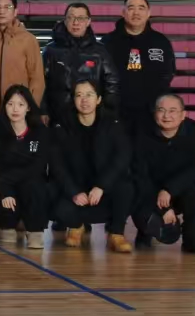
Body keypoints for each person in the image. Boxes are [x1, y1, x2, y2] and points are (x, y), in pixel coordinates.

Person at [49, 80, 133, 253]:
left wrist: (102, 186)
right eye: (79, 95)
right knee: (52, 196)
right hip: (76, 191)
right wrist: (73, 192)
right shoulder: (62, 125)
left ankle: (116, 233)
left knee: (126, 187)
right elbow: (57, 164)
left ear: (99, 99)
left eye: (89, 95)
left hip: (102, 190)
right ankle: (76, 226)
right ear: (73, 99)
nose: (84, 100)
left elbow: (122, 158)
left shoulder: (112, 123)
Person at [131, 94, 195, 255]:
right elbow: (139, 174)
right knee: (133, 192)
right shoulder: (141, 133)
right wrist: (165, 209)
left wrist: (169, 189)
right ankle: (144, 234)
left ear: (183, 115)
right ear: (155, 113)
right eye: (161, 110)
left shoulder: (193, 132)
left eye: (172, 111)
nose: (166, 116)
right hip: (149, 189)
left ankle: (192, 240)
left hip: (176, 188)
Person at [102, 0, 176, 136]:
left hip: (150, 113)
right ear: (123, 12)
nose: (136, 12)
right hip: (115, 113)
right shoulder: (108, 42)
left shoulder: (160, 42)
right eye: (131, 8)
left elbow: (168, 74)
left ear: (148, 13)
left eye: (141, 8)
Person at [0, 84, 51, 250]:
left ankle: (35, 231)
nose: (15, 109)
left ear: (28, 108)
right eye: (10, 104)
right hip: (6, 183)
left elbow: (37, 167)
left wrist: (6, 182)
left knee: (33, 185)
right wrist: (5, 190)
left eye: (20, 104)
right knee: (3, 195)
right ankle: (8, 227)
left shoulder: (40, 132)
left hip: (31, 183)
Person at [42, 1, 119, 124]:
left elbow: (112, 83)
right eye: (71, 18)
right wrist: (43, 111)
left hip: (91, 117)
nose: (76, 22)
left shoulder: (100, 51)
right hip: (58, 116)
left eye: (81, 18)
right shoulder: (51, 50)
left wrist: (106, 111)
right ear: (65, 21)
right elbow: (41, 82)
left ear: (88, 21)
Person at [0, 0, 44, 113]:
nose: (2, 11)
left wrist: (31, 109)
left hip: (18, 111)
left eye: (7, 7)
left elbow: (37, 78)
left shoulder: (28, 40)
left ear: (15, 12)